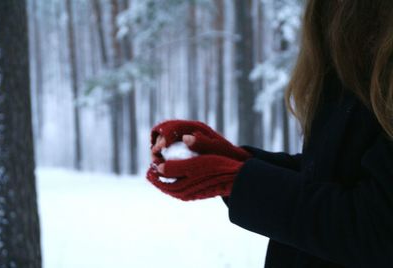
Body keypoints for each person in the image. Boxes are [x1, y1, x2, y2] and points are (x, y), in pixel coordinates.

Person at [146, 0, 393, 267]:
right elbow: (333, 173)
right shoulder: (352, 67)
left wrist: (236, 178)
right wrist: (235, 160)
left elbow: (377, 230)